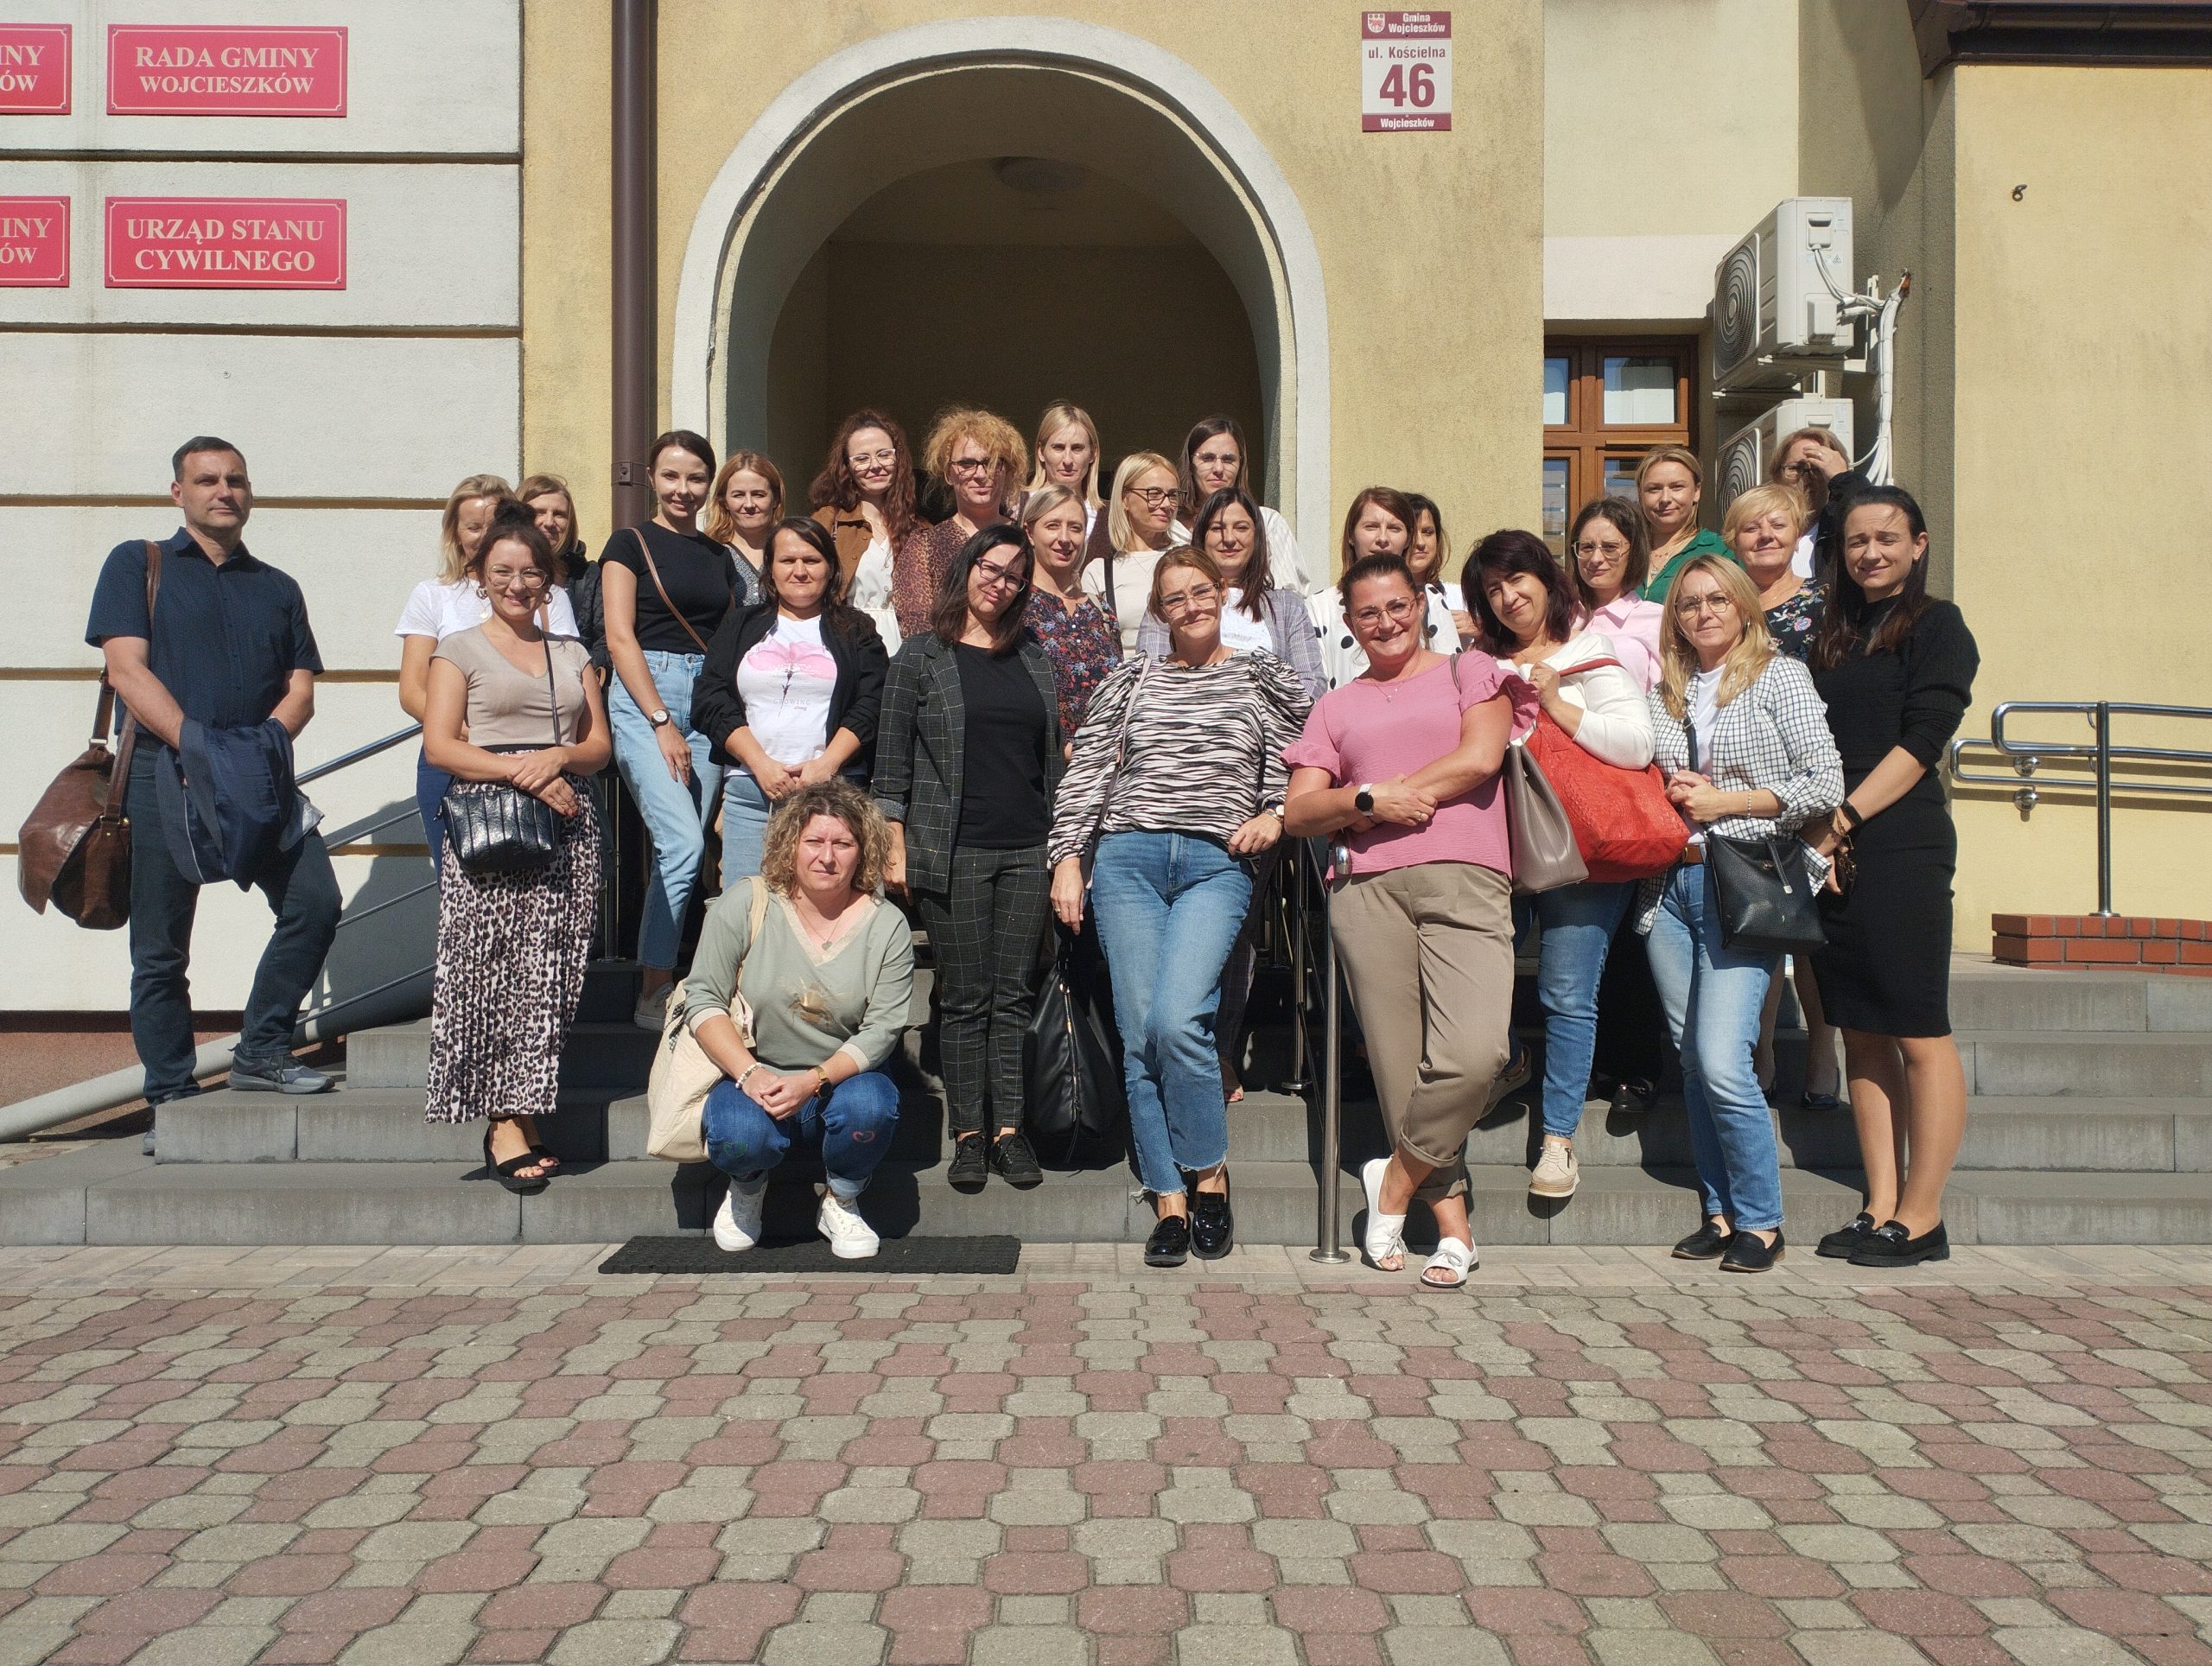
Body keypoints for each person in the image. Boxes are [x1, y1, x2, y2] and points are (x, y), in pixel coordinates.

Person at [1049, 548, 1311, 1267]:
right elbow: (1090, 768)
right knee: (1140, 1033)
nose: (1191, 605)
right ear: (1160, 611)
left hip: (1215, 863)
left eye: (1201, 591)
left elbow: (1304, 759)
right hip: (1127, 860)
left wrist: (1277, 815)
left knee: (1176, 1019)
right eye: (1175, 598)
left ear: (1221, 594)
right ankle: (1168, 1197)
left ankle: (1210, 1176)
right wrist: (1068, 856)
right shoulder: (1131, 678)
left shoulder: (1260, 676)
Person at [1283, 554, 1531, 1288]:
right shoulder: (1335, 706)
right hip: (1366, 891)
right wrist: (1367, 801)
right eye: (1368, 612)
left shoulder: (1469, 670)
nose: (1385, 622)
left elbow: (1480, 758)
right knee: (1399, 1066)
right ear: (1350, 624)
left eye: (1397, 606)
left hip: (1467, 877)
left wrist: (1385, 795)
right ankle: (1455, 1230)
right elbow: (1299, 811)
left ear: (1422, 604)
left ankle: (1391, 1183)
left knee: (1477, 1052)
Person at [86, 437, 341, 1103]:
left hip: (258, 772)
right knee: (161, 951)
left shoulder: (278, 588)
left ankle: (261, 1048)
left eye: (236, 480)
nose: (224, 491)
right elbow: (126, 670)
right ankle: (171, 1095)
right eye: (207, 480)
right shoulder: (136, 564)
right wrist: (198, 747)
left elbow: (301, 690)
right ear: (179, 493)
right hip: (161, 772)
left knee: (315, 903)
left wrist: (258, 749)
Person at [1643, 555, 1843, 1274]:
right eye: (1689, 603)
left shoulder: (1778, 677)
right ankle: (1720, 1213)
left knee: (1725, 1062)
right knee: (1695, 1063)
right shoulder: (1664, 691)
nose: (1703, 613)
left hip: (1744, 882)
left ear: (1743, 608)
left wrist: (1725, 801)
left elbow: (1826, 780)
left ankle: (1762, 1220)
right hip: (1670, 891)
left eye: (1717, 600)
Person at [1806, 486, 1979, 1269]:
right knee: (1861, 1028)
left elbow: (1921, 742)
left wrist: (1843, 818)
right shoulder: (1835, 635)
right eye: (1855, 541)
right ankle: (1880, 1204)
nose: (1870, 553)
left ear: (1919, 544)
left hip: (1901, 839)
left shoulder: (1940, 626)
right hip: (1833, 843)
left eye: (1886, 538)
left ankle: (1923, 1213)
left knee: (1917, 1026)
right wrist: (1825, 831)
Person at [420, 508, 610, 1191]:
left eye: (531, 572)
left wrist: (557, 757)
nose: (517, 584)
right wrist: (525, 772)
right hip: (491, 818)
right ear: (480, 577)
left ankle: (525, 1109)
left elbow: (598, 746)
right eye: (502, 571)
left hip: (567, 826)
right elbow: (440, 746)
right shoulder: (458, 649)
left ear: (549, 579)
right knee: (488, 972)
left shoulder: (572, 653)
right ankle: (501, 1121)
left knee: (548, 978)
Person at [1466, 531, 1655, 1204]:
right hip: (1497, 847)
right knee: (1477, 974)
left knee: (1568, 993)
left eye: (1518, 579)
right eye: (1493, 588)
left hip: (1582, 852)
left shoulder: (1588, 654)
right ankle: (1512, 1059)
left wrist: (1557, 704)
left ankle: (1558, 1138)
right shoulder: (1478, 665)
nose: (1509, 597)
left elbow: (1638, 746)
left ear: (1547, 580)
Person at [875, 526, 1064, 1192]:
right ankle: (968, 1135)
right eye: (991, 567)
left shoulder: (1033, 656)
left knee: (1013, 996)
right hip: (951, 851)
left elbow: (1050, 760)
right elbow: (890, 763)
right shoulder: (921, 655)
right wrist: (893, 843)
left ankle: (1009, 1131)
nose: (1000, 583)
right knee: (963, 998)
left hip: (1027, 849)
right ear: (967, 566)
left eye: (1014, 575)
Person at [679, 781, 916, 1261]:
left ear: (862, 851)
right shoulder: (747, 903)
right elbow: (702, 999)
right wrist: (749, 1073)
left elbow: (884, 1029)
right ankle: (748, 1186)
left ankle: (842, 1197)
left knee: (872, 1106)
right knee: (739, 1137)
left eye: (843, 843)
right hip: (753, 1073)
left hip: (841, 1081)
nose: (827, 857)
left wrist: (814, 1080)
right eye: (814, 841)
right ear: (791, 845)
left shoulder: (887, 923)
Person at [598, 429, 749, 1027]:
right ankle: (654, 988)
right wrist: (661, 720)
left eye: (695, 478)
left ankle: (696, 980)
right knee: (683, 844)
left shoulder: (720, 556)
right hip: (647, 696)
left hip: (708, 701)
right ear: (652, 479)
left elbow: (729, 637)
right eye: (671, 476)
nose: (683, 489)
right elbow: (619, 636)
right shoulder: (629, 542)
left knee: (690, 846)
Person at [1726, 481, 1843, 1111]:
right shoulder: (1724, 603)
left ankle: (1823, 1050)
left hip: (1815, 789)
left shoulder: (1827, 606)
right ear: (1733, 540)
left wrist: (1838, 812)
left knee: (1813, 933)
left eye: (1776, 525)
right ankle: (1762, 1050)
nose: (1765, 536)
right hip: (1745, 794)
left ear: (1798, 533)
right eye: (1751, 527)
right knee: (1762, 925)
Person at [397, 474, 581, 869]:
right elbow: (412, 690)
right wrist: (479, 740)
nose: (483, 536)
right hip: (455, 763)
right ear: (455, 532)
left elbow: (569, 679)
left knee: (551, 880)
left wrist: (529, 759)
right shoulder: (433, 595)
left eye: (492, 524)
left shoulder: (546, 595)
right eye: (473, 527)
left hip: (542, 766)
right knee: (464, 880)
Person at [694, 517, 887, 885]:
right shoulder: (740, 625)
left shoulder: (856, 628)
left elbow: (872, 702)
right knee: (748, 907)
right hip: (752, 796)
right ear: (770, 569)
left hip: (836, 795)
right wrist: (760, 764)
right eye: (787, 560)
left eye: (811, 560)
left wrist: (826, 765)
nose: (800, 571)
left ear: (830, 567)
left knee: (833, 907)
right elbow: (710, 699)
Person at [1137, 487, 1328, 700]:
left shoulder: (1288, 607)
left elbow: (1311, 683)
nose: (1229, 538)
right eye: (1217, 528)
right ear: (1202, 535)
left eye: (1241, 527)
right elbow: (1149, 676)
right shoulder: (1172, 601)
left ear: (1256, 536)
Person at [893, 407, 1027, 638]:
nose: (981, 474)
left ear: (1007, 470)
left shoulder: (1026, 541)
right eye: (966, 464)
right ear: (949, 473)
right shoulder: (925, 545)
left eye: (992, 463)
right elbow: (916, 626)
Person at [1019, 485, 1122, 741]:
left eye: (1075, 528)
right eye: (1053, 525)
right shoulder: (1014, 605)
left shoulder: (1100, 610)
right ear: (1029, 532)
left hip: (1103, 759)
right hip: (1041, 759)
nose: (1064, 538)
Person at [1174, 416, 1309, 592]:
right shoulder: (1173, 530)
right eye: (1207, 458)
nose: (1218, 469)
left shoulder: (1268, 522)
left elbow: (1288, 594)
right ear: (1191, 464)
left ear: (1240, 465)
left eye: (1228, 459)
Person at [810, 410, 918, 624]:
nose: (875, 466)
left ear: (898, 459)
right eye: (862, 458)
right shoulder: (828, 521)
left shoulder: (917, 528)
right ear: (847, 467)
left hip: (906, 639)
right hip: (850, 634)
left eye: (884, 454)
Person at [1312, 486, 1419, 687]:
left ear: (1407, 539)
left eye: (1394, 528)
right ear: (1351, 536)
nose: (1383, 539)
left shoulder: (1429, 601)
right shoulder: (1319, 607)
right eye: (1371, 527)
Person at [1082, 451, 1181, 653]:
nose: (1166, 504)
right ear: (1124, 499)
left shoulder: (1189, 560)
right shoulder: (1100, 572)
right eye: (1154, 494)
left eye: (1172, 495)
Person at [1567, 497, 1662, 692]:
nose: (1596, 559)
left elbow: (1666, 699)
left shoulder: (1657, 620)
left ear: (1634, 552)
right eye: (1587, 547)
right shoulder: (1561, 615)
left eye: (1610, 547)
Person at [1768, 424, 1866, 583]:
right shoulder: (1758, 531)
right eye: (1795, 468)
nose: (1807, 478)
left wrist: (1842, 478)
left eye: (1817, 469)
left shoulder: (1837, 531)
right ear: (1777, 475)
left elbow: (1866, 519)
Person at [1023, 401, 1111, 573]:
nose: (1068, 460)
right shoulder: (1015, 507)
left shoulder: (1110, 517)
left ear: (1092, 454)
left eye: (1077, 448)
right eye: (1058, 448)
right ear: (1041, 452)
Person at [1637, 446, 1733, 603]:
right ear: (1641, 495)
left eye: (1677, 487)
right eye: (1654, 489)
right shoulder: (1625, 551)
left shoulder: (1721, 550)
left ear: (1696, 492)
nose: (1665, 499)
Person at [702, 450, 778, 611]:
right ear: (725, 501)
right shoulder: (712, 554)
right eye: (738, 495)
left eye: (758, 495)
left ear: (775, 499)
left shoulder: (790, 552)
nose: (749, 504)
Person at [1405, 493, 1473, 649]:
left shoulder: (1462, 597)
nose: (1420, 542)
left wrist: (1483, 629)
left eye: (1428, 532)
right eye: (1411, 532)